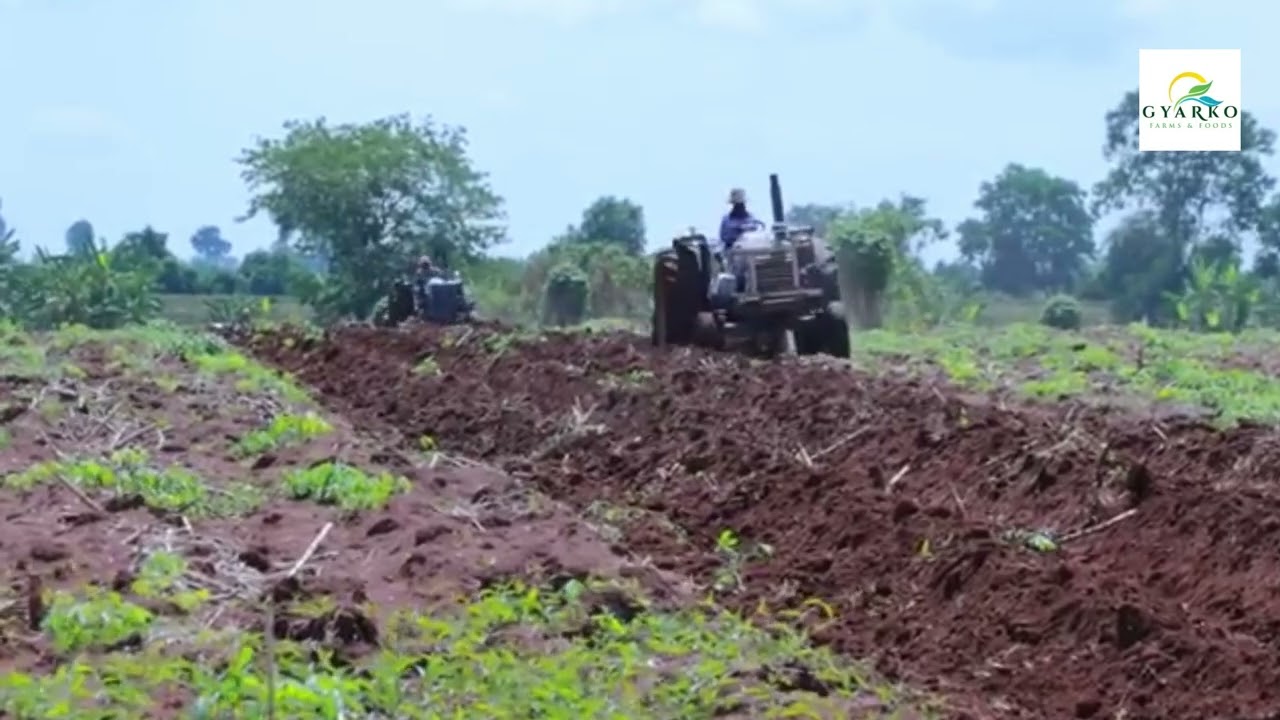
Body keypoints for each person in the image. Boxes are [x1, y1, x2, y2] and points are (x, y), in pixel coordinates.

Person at [718, 188, 761, 253]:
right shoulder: (726, 220)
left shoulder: (751, 218)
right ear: (733, 205)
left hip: (751, 250)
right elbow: (723, 237)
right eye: (737, 205)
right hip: (733, 252)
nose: (741, 207)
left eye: (742, 204)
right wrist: (736, 232)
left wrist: (747, 230)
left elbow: (755, 232)